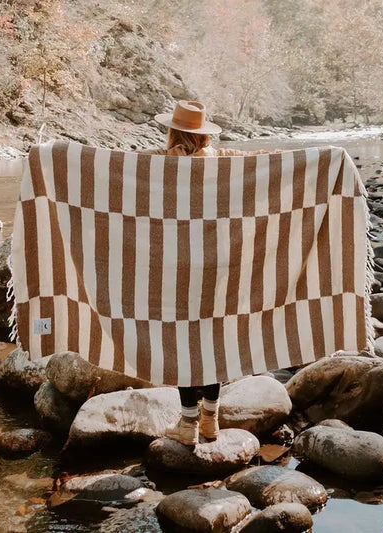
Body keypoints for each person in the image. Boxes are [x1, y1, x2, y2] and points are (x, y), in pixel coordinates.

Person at [144, 101, 270, 446]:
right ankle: (210, 420)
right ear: (202, 134)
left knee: (183, 340)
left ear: (173, 130)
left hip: (177, 264)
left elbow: (112, 169)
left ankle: (187, 424)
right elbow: (263, 161)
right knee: (213, 339)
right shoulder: (220, 162)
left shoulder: (160, 163)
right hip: (218, 263)